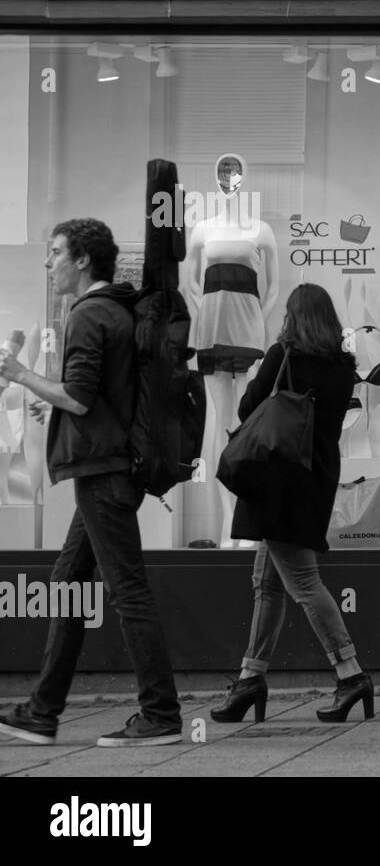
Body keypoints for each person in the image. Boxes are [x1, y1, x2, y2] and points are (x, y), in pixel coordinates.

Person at [0, 218, 183, 747]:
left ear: (82, 260)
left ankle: (162, 714)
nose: (48, 261)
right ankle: (42, 711)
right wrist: (49, 402)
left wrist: (20, 374)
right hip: (108, 467)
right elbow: (98, 396)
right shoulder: (117, 310)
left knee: (128, 592)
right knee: (67, 585)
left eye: (55, 252)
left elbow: (79, 397)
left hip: (102, 473)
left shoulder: (88, 314)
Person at [209, 282, 374, 724]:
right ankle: (250, 679)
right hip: (314, 479)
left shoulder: (284, 355)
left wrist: (266, 365)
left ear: (293, 316)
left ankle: (350, 672)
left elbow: (248, 409)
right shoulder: (343, 367)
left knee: (303, 582)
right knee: (267, 583)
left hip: (279, 482)